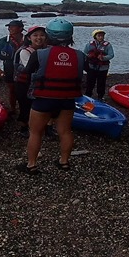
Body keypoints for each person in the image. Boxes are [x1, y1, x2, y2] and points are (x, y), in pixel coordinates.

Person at [16, 18, 85, 175]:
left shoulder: (40, 54)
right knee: (65, 131)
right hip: (67, 100)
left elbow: (27, 72)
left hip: (43, 100)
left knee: (35, 132)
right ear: (70, 36)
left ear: (49, 35)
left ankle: (31, 165)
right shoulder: (80, 55)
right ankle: (64, 162)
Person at [13, 25, 47, 137]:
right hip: (24, 84)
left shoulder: (46, 50)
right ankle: (23, 127)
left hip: (38, 83)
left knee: (38, 105)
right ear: (29, 38)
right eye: (35, 35)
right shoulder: (25, 52)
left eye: (42, 35)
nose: (39, 38)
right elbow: (31, 68)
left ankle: (40, 126)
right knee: (25, 105)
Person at [0, 20, 25, 113]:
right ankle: (13, 108)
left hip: (23, 67)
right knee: (12, 89)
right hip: (9, 67)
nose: (9, 28)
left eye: (12, 26)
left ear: (20, 28)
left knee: (24, 89)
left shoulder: (28, 39)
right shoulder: (4, 40)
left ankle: (24, 108)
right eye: (9, 27)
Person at [83, 29, 114, 100]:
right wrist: (88, 56)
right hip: (91, 67)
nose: (101, 37)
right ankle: (88, 95)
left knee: (101, 83)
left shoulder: (108, 45)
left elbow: (111, 55)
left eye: (102, 36)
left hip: (103, 68)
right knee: (90, 82)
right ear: (95, 36)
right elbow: (84, 53)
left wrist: (103, 58)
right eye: (99, 36)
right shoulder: (89, 45)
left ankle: (100, 96)